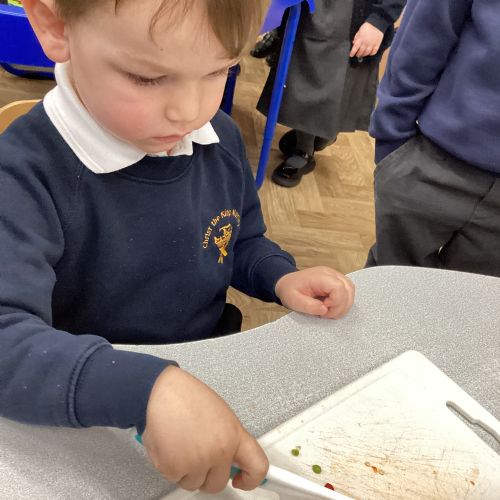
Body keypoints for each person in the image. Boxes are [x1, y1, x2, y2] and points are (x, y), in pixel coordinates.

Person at [0, 0, 355, 494]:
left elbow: (236, 237)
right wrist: (145, 389)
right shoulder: (21, 176)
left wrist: (279, 275)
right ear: (57, 27)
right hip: (97, 409)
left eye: (219, 71)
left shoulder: (217, 136)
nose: (189, 111)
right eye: (147, 78)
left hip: (208, 370)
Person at [367, 0, 500, 277]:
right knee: (390, 288)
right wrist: (392, 143)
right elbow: (424, 35)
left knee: (469, 303)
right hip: (433, 162)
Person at [256, 0, 405, 187]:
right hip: (316, 12)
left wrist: (379, 20)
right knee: (307, 75)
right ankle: (303, 149)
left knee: (344, 83)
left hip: (358, 15)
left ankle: (322, 136)